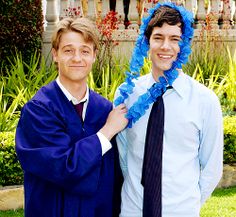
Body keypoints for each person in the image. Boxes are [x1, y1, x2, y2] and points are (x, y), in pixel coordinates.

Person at [114, 2, 223, 217]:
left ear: (184, 45)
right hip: (133, 210)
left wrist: (186, 205)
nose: (166, 46)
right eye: (158, 37)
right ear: (147, 42)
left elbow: (212, 168)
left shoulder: (205, 101)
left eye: (175, 39)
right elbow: (124, 156)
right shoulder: (127, 94)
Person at [15, 17, 128, 217]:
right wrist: (106, 132)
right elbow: (63, 167)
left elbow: (113, 177)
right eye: (68, 50)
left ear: (94, 56)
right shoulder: (38, 111)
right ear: (55, 54)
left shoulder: (103, 109)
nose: (77, 58)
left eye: (85, 51)